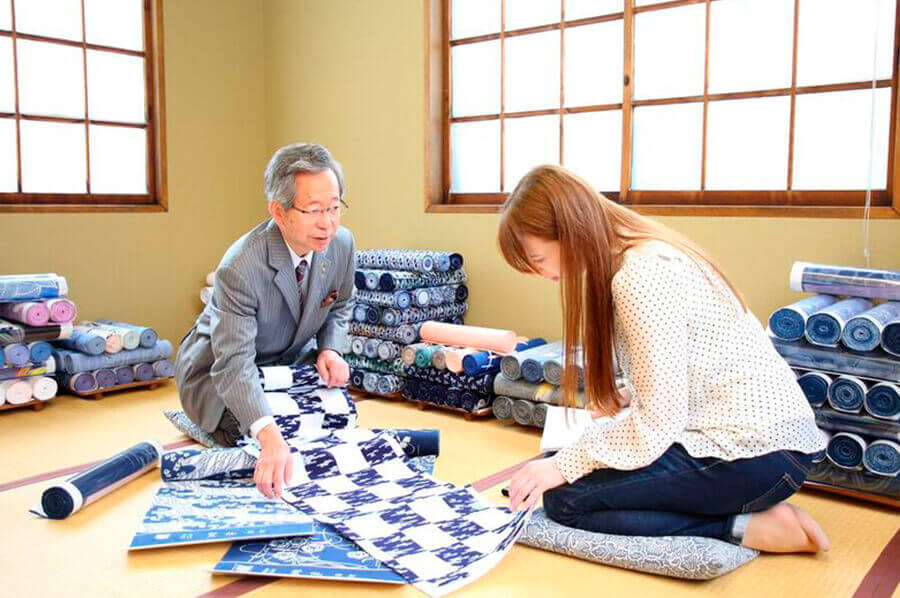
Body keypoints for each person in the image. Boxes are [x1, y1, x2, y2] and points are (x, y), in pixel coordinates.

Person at [499, 164, 829, 554]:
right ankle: (740, 513)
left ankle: (741, 527)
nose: (541, 274)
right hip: (760, 447)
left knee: (565, 499)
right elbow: (681, 370)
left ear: (569, 229)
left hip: (753, 454)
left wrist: (566, 464)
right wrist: (622, 400)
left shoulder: (640, 275)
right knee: (562, 464)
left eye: (538, 259)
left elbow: (657, 424)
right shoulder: (642, 254)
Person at [175, 142, 356, 499]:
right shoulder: (240, 266)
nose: (328, 223)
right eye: (314, 210)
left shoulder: (342, 244)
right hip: (218, 368)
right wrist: (269, 437)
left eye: (335, 208)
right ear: (279, 210)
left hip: (286, 362)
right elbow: (234, 363)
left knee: (336, 416)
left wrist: (331, 350)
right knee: (260, 438)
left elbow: (341, 306)